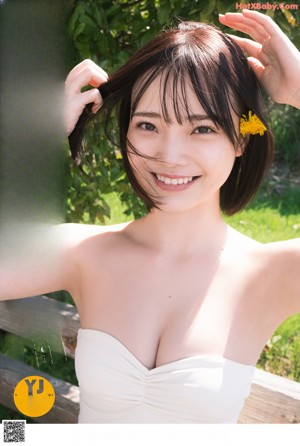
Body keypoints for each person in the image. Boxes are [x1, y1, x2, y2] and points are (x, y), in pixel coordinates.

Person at [2, 9, 300, 423]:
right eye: (148, 125)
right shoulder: (85, 252)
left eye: (202, 129)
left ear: (241, 141)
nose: (169, 155)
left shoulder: (271, 274)